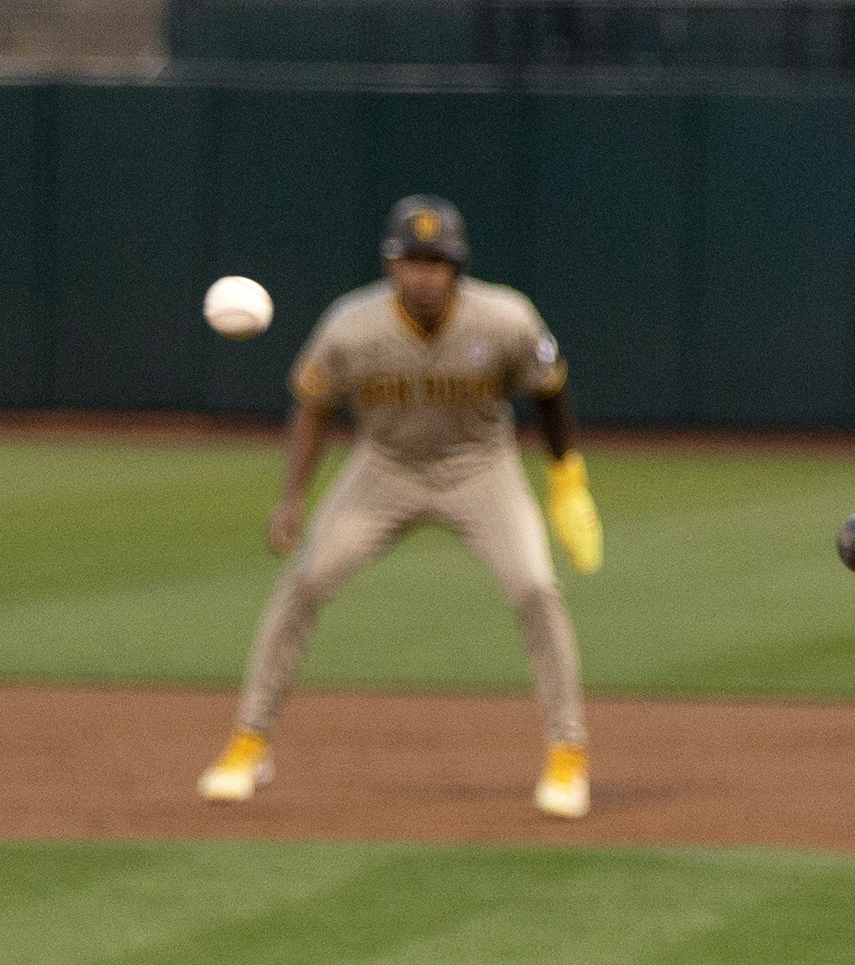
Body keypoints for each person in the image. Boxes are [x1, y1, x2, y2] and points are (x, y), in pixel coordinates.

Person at [200, 195, 604, 819]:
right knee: (306, 580)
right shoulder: (351, 325)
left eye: (437, 261)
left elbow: (548, 391)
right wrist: (292, 497)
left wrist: (566, 478)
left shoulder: (504, 319)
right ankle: (249, 740)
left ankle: (568, 751)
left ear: (456, 267)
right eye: (412, 260)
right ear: (391, 265)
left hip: (481, 470)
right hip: (384, 470)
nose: (424, 273)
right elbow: (313, 406)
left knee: (535, 587)